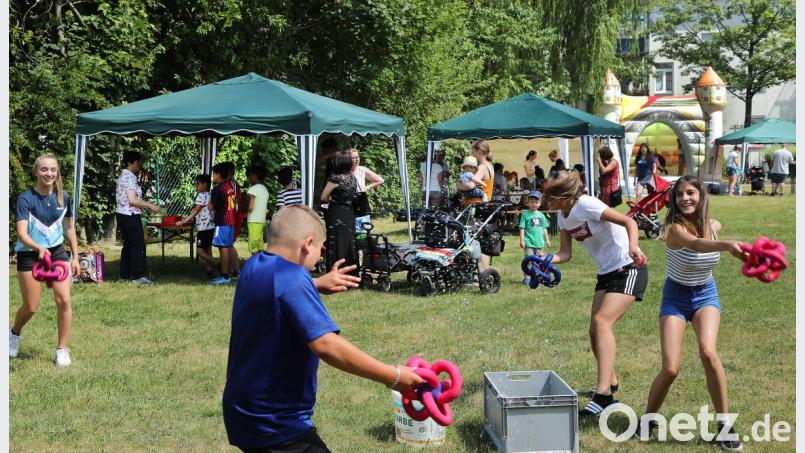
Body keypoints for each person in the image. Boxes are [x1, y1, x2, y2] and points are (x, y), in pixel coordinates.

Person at [222, 205, 422, 452]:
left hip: (242, 411)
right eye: (320, 248)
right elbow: (327, 345)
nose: (320, 255)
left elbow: (275, 290)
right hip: (275, 423)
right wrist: (393, 376)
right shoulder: (293, 278)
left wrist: (315, 284)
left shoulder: (253, 266)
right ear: (307, 244)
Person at [634, 175, 749, 451]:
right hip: (675, 297)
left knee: (709, 352)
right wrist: (727, 245)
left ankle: (724, 425)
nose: (685, 198)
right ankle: (647, 421)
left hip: (705, 294)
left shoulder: (713, 226)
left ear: (701, 196)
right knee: (671, 368)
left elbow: (713, 230)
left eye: (690, 193)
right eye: (679, 194)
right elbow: (696, 244)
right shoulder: (673, 228)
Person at [542, 170, 648, 418]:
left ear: (564, 195)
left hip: (628, 268)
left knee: (602, 323)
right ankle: (611, 382)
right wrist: (546, 259)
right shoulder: (562, 216)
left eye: (550, 196)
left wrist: (633, 247)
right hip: (606, 273)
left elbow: (629, 222)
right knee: (594, 331)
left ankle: (602, 395)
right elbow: (565, 253)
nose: (547, 201)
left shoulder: (586, 204)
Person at [10, 153, 81, 366]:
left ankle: (62, 350)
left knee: (64, 300)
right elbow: (21, 233)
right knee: (31, 306)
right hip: (30, 253)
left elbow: (69, 228)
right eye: (44, 169)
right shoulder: (25, 199)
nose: (48, 173)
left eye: (52, 169)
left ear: (57, 173)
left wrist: (75, 257)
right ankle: (14, 333)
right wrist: (38, 247)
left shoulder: (64, 197)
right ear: (36, 172)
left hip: (56, 251)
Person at [116, 151, 161, 285]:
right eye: (138, 162)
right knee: (137, 245)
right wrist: (150, 205)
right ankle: (137, 276)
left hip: (122, 214)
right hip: (131, 215)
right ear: (130, 162)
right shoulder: (130, 177)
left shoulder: (123, 175)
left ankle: (124, 276)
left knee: (128, 246)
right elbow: (132, 200)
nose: (139, 165)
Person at [320, 154, 359, 272]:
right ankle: (350, 270)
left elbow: (323, 197)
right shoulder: (352, 177)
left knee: (336, 241)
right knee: (348, 241)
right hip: (349, 212)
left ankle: (336, 270)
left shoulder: (334, 179)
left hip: (337, 213)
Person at [177, 174, 217, 280]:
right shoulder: (209, 195)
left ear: (205, 184)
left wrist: (185, 220)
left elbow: (197, 209)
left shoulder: (201, 195)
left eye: (198, 184)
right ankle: (209, 272)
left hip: (203, 228)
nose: (196, 186)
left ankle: (218, 265)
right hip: (210, 227)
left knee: (200, 252)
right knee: (208, 249)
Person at [209, 163, 238, 285]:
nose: (213, 176)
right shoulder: (230, 187)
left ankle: (225, 276)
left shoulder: (218, 189)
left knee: (223, 248)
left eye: (214, 174)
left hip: (222, 223)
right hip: (231, 222)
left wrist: (210, 207)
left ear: (219, 175)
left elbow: (211, 206)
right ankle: (228, 273)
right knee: (227, 246)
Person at [518, 191, 552, 285]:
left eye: (536, 202)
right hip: (529, 243)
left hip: (539, 243)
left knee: (538, 262)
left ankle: (537, 277)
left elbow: (544, 228)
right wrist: (522, 240)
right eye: (531, 202)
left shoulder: (541, 215)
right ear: (528, 203)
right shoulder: (525, 214)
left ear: (540, 203)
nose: (534, 204)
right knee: (528, 261)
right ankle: (527, 278)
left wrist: (547, 240)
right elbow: (522, 228)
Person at [349, 148, 384, 232]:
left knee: (363, 230)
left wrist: (367, 188)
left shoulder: (362, 169)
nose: (357, 159)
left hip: (361, 202)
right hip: (348, 202)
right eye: (353, 158)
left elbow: (380, 180)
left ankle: (363, 239)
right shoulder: (344, 171)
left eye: (357, 157)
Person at [224, 162, 243, 276]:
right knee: (228, 244)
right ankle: (231, 269)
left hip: (231, 217)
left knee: (229, 244)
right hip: (229, 217)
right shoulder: (228, 184)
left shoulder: (233, 184)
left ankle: (236, 270)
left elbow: (234, 203)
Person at [246, 164, 270, 255]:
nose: (249, 178)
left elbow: (250, 207)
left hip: (253, 221)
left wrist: (244, 209)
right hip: (262, 221)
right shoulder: (264, 189)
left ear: (255, 176)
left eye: (250, 175)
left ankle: (255, 263)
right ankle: (261, 262)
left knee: (253, 247)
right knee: (260, 246)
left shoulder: (253, 189)